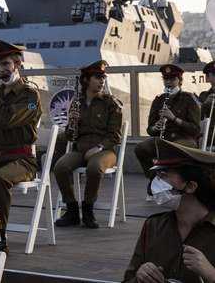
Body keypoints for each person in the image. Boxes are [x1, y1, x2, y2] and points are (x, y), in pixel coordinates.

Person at [0, 39, 42, 256]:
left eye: (6, 65)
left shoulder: (31, 96)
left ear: (18, 65)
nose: (1, 70)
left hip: (22, 160)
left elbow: (6, 120)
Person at [123, 139, 215, 283]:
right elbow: (128, 279)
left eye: (164, 174)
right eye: (157, 175)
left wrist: (211, 275)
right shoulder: (153, 226)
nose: (157, 182)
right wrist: (139, 277)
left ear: (190, 186)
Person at [53, 60, 123, 229]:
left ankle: (88, 209)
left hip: (105, 150)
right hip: (81, 149)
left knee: (94, 168)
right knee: (60, 167)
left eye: (103, 78)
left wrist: (98, 148)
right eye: (97, 77)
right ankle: (72, 210)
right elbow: (70, 136)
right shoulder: (76, 103)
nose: (102, 81)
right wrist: (72, 122)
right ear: (86, 80)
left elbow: (115, 136)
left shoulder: (110, 103)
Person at [134, 64, 201, 193]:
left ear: (179, 81)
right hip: (165, 139)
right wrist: (156, 126)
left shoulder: (189, 99)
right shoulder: (159, 100)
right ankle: (154, 179)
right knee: (140, 148)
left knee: (169, 149)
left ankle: (171, 183)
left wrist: (174, 118)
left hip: (185, 139)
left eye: (172, 80)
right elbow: (150, 129)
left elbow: (195, 129)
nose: (168, 83)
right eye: (166, 80)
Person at [199, 60, 215, 149]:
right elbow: (197, 117)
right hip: (209, 138)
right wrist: (206, 104)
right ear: (207, 79)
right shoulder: (203, 96)